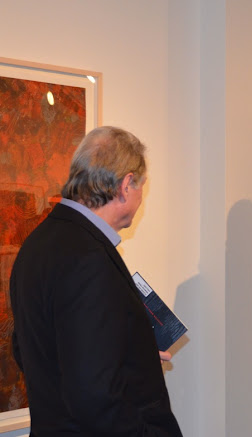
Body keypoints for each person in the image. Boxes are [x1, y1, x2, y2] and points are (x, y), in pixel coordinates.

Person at [10, 126, 183, 436]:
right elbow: (95, 398)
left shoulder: (37, 243)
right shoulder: (88, 258)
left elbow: (31, 349)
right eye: (142, 186)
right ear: (126, 185)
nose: (141, 197)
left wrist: (134, 357)